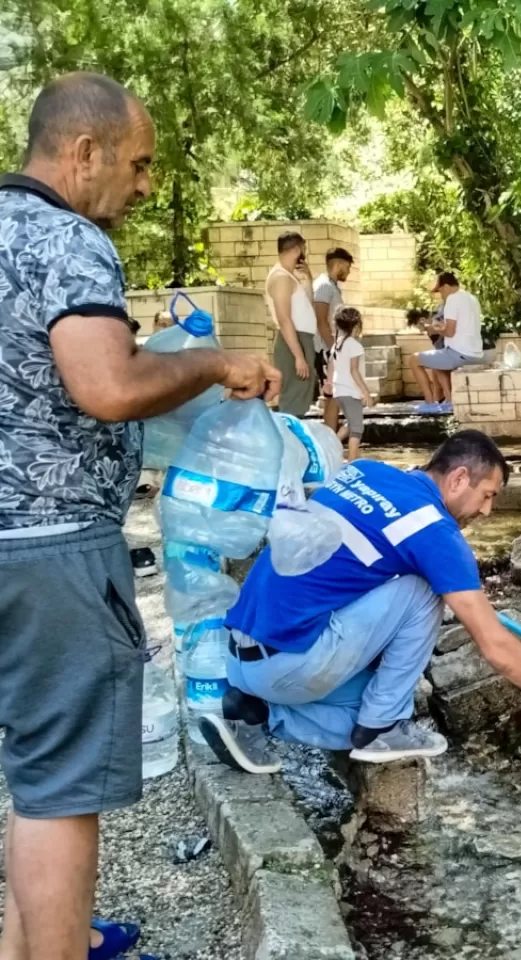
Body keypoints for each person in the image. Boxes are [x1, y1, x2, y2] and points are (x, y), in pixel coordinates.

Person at [0, 72, 279, 960]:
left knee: (33, 771)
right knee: (61, 787)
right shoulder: (68, 239)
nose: (146, 185)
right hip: (50, 557)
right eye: (141, 164)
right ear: (85, 153)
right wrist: (207, 364)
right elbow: (107, 385)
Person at [199, 431, 521, 773]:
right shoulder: (434, 530)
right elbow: (493, 645)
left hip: (241, 657)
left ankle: (256, 714)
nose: (488, 511)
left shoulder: (362, 471)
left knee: (367, 703)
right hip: (289, 665)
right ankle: (382, 729)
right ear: (458, 479)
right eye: (488, 494)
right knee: (422, 591)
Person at [411, 272, 483, 416]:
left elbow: (449, 332)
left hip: (460, 353)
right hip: (475, 353)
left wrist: (431, 328)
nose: (441, 295)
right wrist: (441, 327)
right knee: (437, 360)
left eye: (440, 290)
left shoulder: (452, 299)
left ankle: (430, 404)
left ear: (446, 286)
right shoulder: (471, 298)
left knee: (413, 359)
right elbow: (460, 326)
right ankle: (449, 401)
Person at [265, 231, 319, 417]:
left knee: (303, 391)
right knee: (294, 396)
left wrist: (309, 280)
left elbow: (308, 308)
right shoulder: (281, 278)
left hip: (302, 338)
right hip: (294, 340)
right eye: (303, 249)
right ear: (297, 248)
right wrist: (298, 356)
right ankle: (289, 439)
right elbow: (284, 318)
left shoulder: (291, 276)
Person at [312, 247, 354, 434]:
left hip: (332, 349)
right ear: (337, 264)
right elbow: (321, 321)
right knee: (332, 394)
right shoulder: (323, 286)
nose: (348, 271)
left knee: (334, 394)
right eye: (347, 267)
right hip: (325, 350)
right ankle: (330, 435)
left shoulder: (331, 286)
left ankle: (330, 435)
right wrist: (334, 350)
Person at [327, 306, 373, 460]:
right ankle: (353, 460)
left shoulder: (337, 344)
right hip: (350, 391)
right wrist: (366, 392)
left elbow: (331, 367)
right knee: (357, 428)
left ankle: (327, 445)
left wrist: (329, 384)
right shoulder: (354, 345)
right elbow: (354, 370)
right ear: (356, 325)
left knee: (350, 423)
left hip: (339, 391)